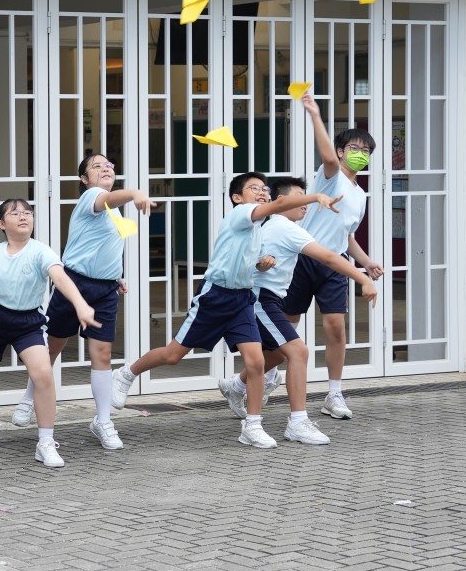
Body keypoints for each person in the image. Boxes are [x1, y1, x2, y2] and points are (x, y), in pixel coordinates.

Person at [108, 172, 343, 447]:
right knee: (173, 355)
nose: (261, 192)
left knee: (256, 362)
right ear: (237, 197)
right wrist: (315, 196)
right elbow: (279, 205)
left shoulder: (257, 229)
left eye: (264, 189)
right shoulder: (241, 214)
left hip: (242, 299)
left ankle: (252, 426)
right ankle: (126, 374)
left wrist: (262, 263)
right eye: (254, 188)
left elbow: (251, 262)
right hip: (215, 296)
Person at [0, 199, 99, 469]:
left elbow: (60, 278)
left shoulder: (41, 251)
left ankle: (45, 441)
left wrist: (81, 304)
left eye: (28, 213)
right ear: (2, 224)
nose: (24, 217)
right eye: (15, 214)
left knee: (43, 374)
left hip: (28, 321)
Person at [11, 151, 154, 451]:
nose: (105, 168)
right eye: (96, 166)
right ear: (84, 179)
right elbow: (107, 199)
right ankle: (28, 398)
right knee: (52, 347)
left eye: (108, 165)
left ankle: (103, 421)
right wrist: (135, 193)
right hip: (73, 283)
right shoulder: (92, 197)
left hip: (105, 290)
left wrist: (116, 276)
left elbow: (105, 248)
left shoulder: (115, 212)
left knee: (102, 354)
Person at [218, 178, 377, 447]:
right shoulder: (283, 226)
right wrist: (363, 279)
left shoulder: (271, 224)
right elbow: (329, 257)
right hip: (259, 299)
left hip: (264, 298)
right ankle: (297, 422)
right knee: (298, 351)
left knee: (278, 354)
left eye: (306, 197)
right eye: (299, 197)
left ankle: (236, 386)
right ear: (283, 202)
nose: (305, 203)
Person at [283, 91, 385, 420]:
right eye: (354, 148)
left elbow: (347, 236)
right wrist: (315, 114)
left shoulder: (360, 194)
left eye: (366, 151)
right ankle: (259, 379)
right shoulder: (330, 178)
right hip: (303, 259)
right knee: (287, 326)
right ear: (341, 151)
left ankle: (334, 393)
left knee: (336, 328)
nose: (360, 154)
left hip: (335, 264)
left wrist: (366, 262)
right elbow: (327, 157)